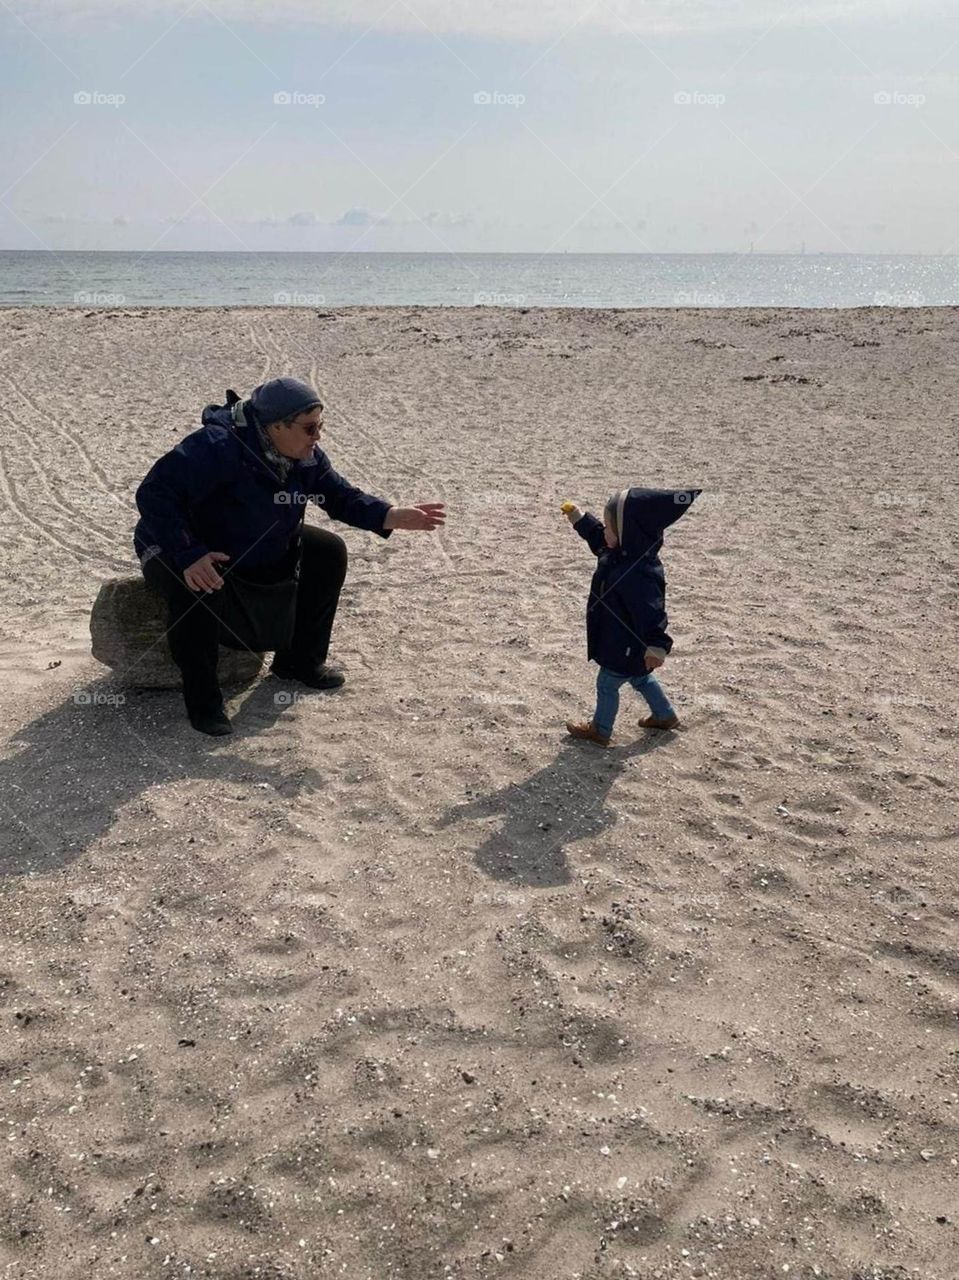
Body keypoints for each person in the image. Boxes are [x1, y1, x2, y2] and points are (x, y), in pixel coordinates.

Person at [133, 376, 444, 736]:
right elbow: (154, 494)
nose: (318, 437)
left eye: (321, 427)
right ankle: (203, 703)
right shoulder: (216, 446)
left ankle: (298, 663)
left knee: (327, 551)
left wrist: (390, 515)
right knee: (202, 583)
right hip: (175, 545)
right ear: (275, 426)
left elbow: (338, 496)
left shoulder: (304, 456)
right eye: (310, 428)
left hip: (248, 546)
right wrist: (188, 553)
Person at [562, 487, 699, 747]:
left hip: (624, 640)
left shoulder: (641, 571)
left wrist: (657, 644)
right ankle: (665, 715)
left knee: (607, 682)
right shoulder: (617, 551)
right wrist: (579, 519)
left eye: (610, 528)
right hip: (622, 638)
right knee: (641, 677)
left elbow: (653, 608)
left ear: (629, 533)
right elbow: (597, 537)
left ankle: (600, 730)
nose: (604, 532)